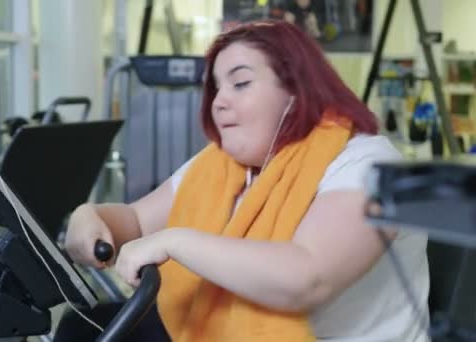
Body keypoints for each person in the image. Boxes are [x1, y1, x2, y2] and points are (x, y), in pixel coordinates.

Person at [60, 20, 429, 341]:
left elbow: (307, 279)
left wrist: (176, 241)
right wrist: (90, 217)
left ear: (298, 90)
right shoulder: (222, 165)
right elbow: (137, 221)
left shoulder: (370, 164)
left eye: (240, 83)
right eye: (216, 88)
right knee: (83, 328)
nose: (218, 101)